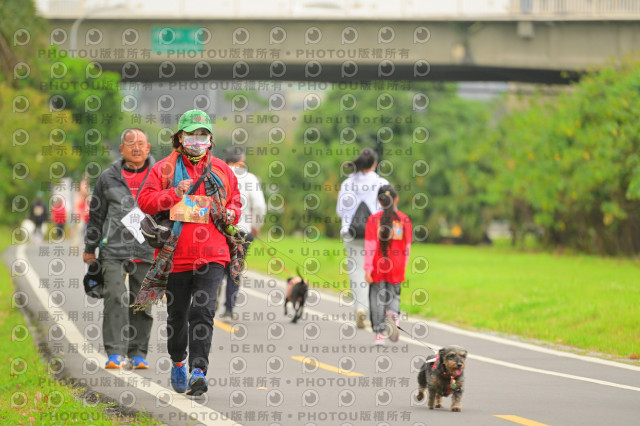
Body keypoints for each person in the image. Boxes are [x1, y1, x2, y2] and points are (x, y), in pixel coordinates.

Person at [136, 110, 241, 396]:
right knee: (177, 316)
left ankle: (198, 371)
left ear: (210, 138)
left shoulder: (222, 169)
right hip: (175, 256)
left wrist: (232, 213)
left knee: (203, 311)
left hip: (213, 254)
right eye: (192, 134)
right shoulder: (164, 169)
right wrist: (174, 193)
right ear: (180, 138)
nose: (197, 139)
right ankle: (178, 361)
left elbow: (235, 200)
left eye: (202, 134)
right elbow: (145, 201)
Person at [83, 128, 155, 369]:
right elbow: (96, 215)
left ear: (148, 148)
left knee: (142, 303)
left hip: (146, 249)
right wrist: (90, 247)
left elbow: (167, 212)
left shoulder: (160, 176)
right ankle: (115, 353)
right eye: (130, 143)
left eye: (141, 143)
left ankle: (138, 354)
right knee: (115, 298)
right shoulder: (107, 178)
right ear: (122, 149)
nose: (136, 147)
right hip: (113, 250)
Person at [336, 148, 389, 329]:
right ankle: (375, 309)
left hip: (351, 233)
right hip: (375, 233)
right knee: (374, 270)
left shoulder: (347, 183)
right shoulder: (381, 183)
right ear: (375, 163)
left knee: (356, 270)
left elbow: (340, 210)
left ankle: (360, 307)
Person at [219, 146, 266, 321]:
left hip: (220, 229)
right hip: (242, 231)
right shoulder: (250, 178)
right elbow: (259, 206)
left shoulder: (219, 175)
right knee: (235, 270)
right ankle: (229, 310)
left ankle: (212, 297)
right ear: (241, 161)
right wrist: (256, 227)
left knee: (216, 266)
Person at [364, 185, 412, 345]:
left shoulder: (373, 219)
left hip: (378, 264)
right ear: (396, 199)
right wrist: (403, 266)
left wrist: (368, 269)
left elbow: (370, 246)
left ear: (379, 201)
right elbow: (407, 247)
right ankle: (393, 314)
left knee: (377, 298)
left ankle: (379, 334)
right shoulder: (404, 220)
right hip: (397, 265)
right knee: (394, 295)